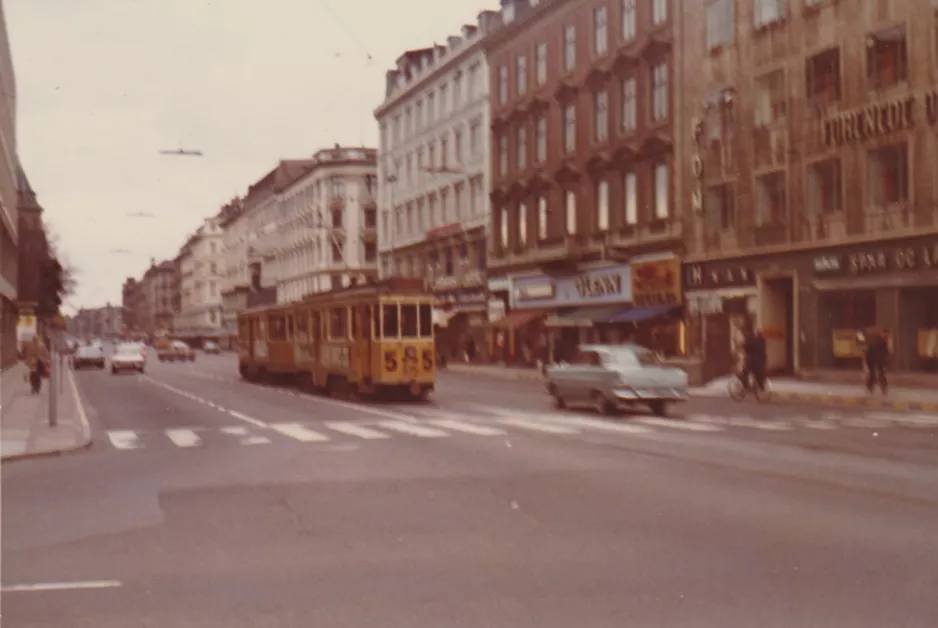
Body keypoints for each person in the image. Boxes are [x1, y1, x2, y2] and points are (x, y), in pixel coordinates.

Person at [864, 326, 888, 394]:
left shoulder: (871, 342)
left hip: (872, 360)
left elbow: (868, 352)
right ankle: (884, 386)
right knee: (881, 373)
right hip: (880, 360)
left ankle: (870, 387)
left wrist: (867, 361)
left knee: (872, 374)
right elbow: (885, 351)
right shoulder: (882, 341)